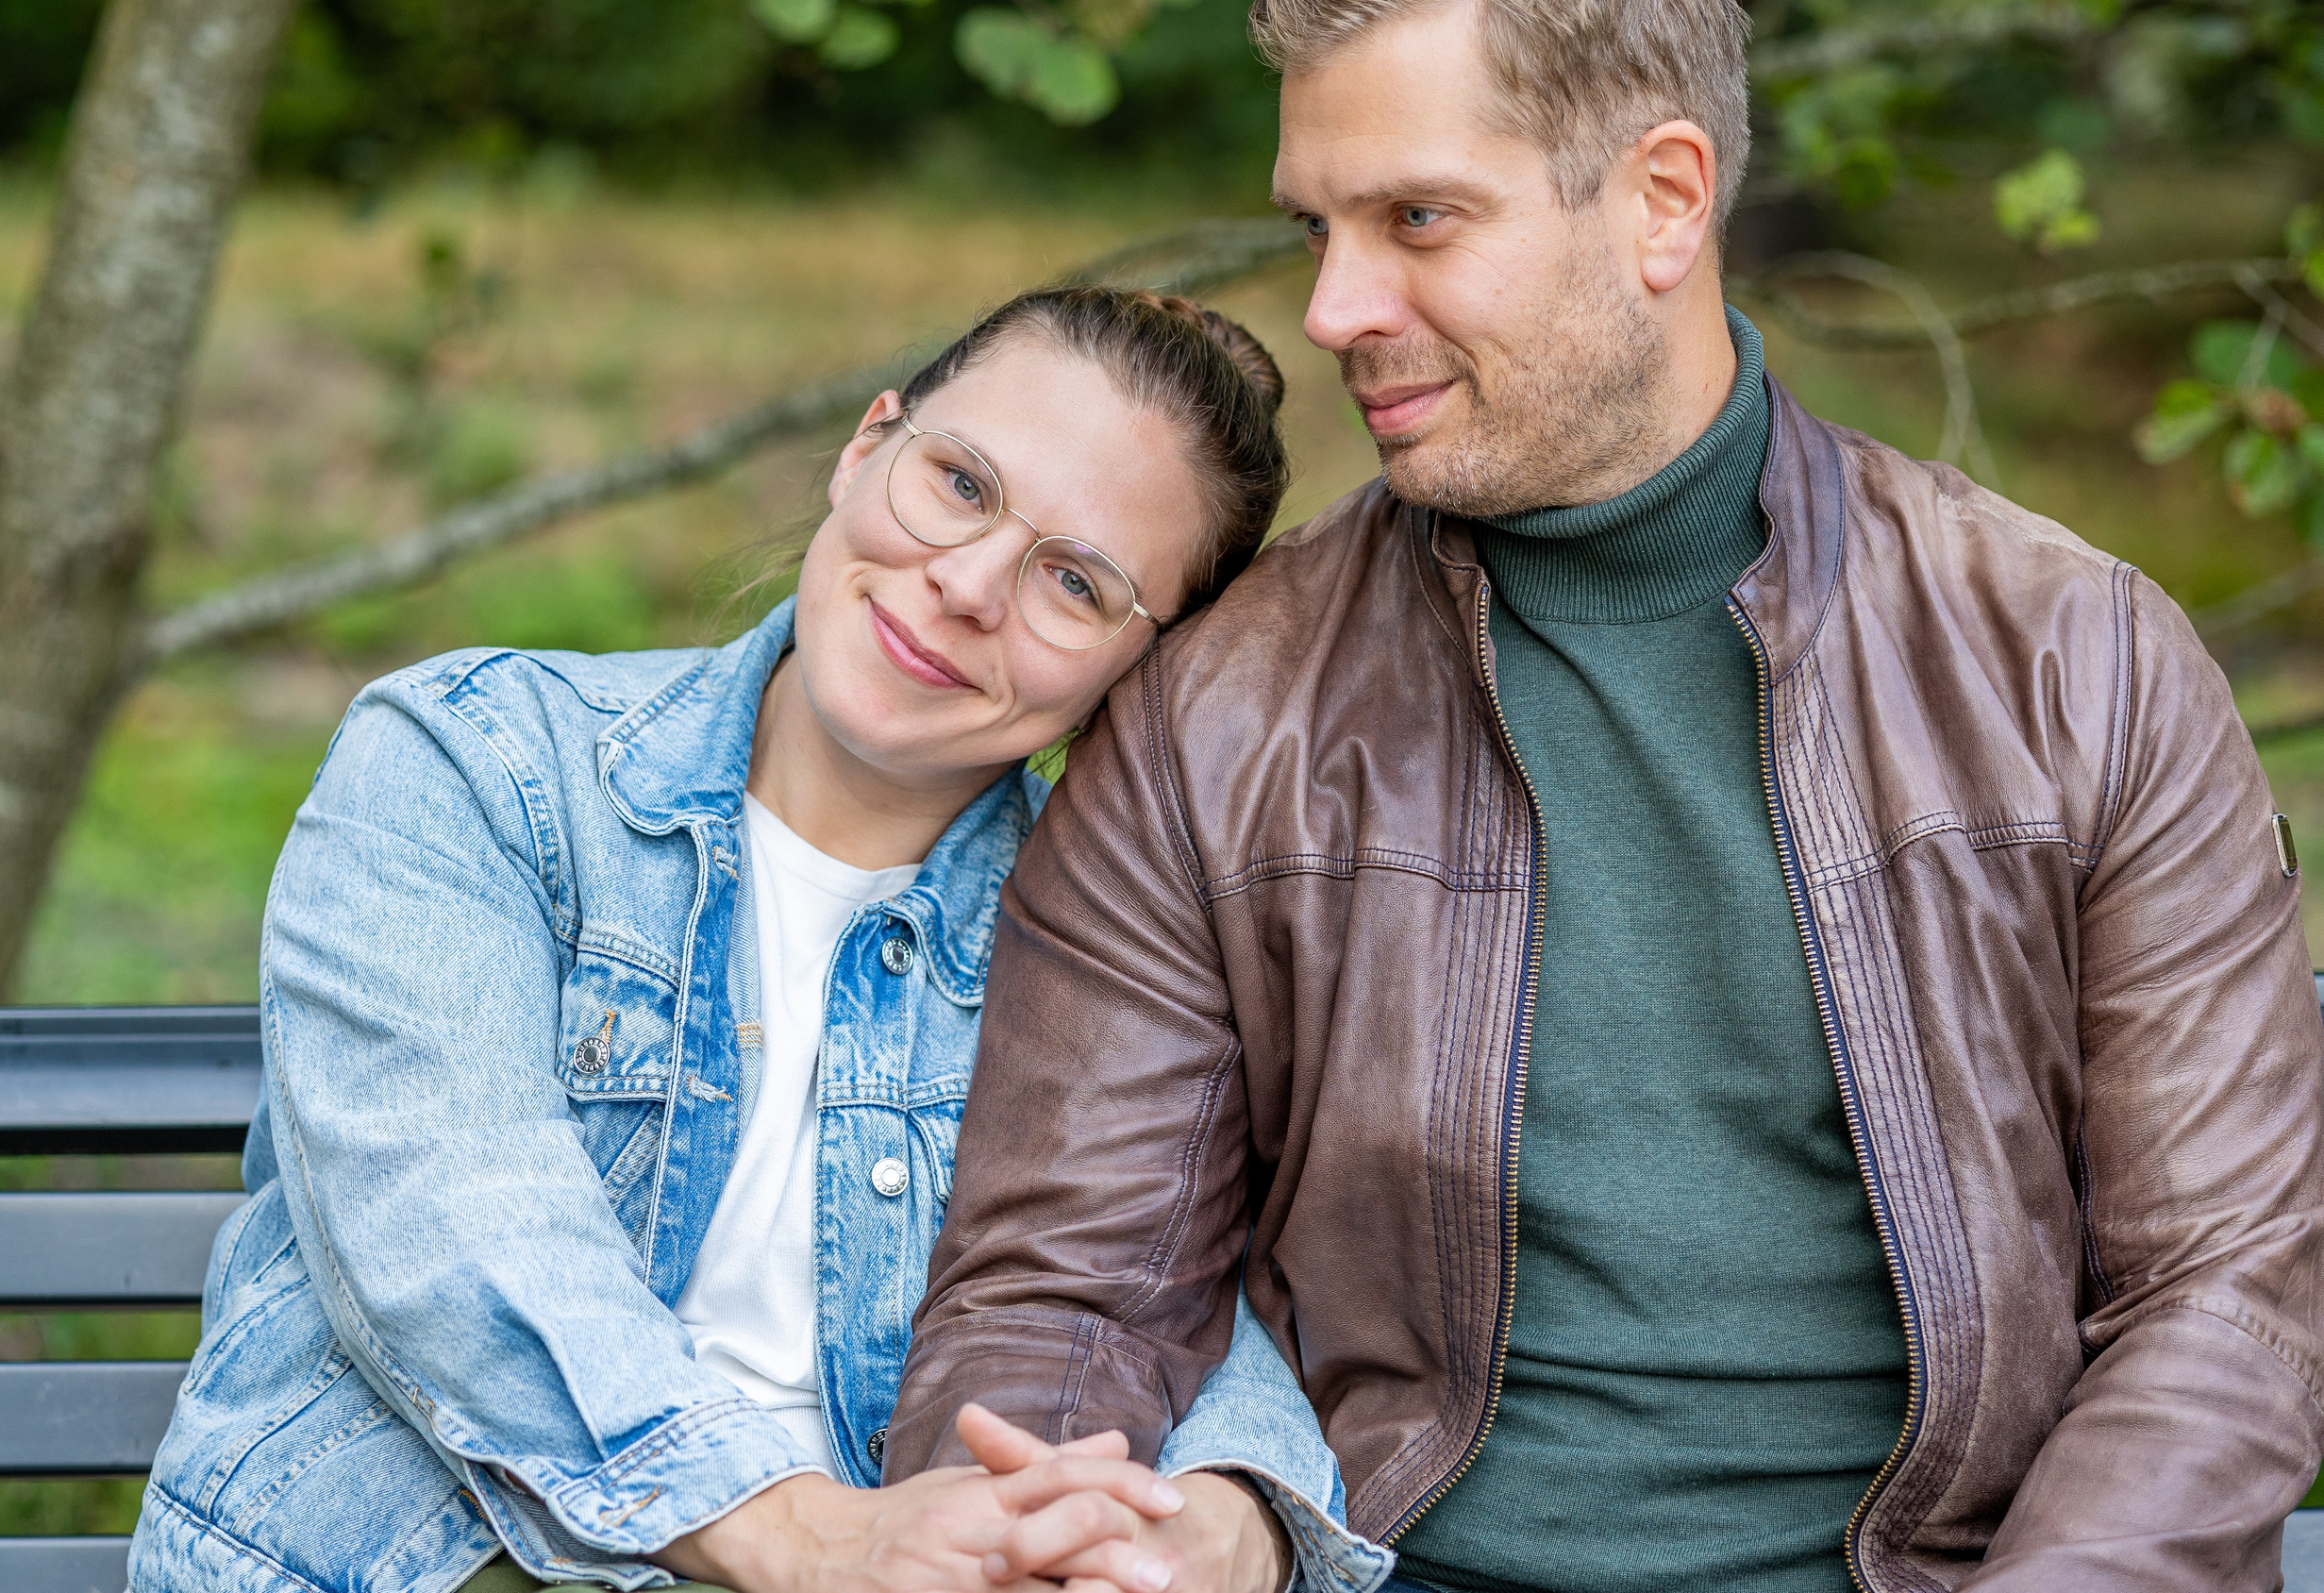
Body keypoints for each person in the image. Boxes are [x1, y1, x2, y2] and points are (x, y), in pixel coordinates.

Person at [887, 0, 2324, 1593]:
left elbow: (2228, 1289)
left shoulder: (2072, 661)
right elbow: (1067, 1291)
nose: (1334, 308)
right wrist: (1060, 1529)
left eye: (1418, 219)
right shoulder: (1225, 709)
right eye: (1318, 227)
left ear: (1664, 200)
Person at [129, 288, 1390, 1593]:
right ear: (866, 447)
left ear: (1151, 668)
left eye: (1074, 582)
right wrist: (809, 1538)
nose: (963, 586)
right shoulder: (480, 766)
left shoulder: (1121, 940)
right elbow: (457, 1231)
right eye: (958, 484)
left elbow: (1168, 1284)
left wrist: (1235, 1516)